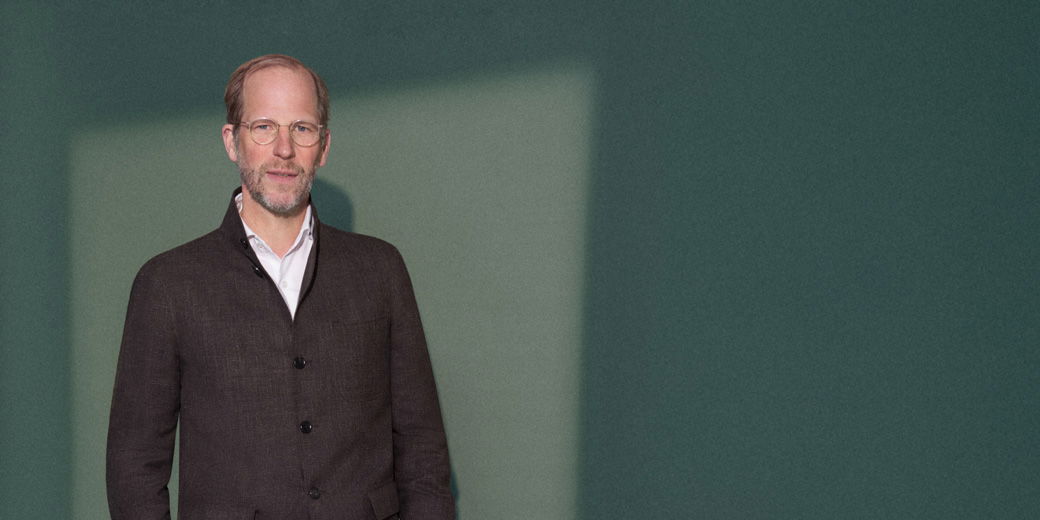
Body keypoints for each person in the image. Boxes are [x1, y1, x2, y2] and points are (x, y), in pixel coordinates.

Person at [106, 54, 455, 520]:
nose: (284, 149)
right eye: (264, 127)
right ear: (232, 142)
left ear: (323, 146)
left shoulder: (380, 270)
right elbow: (134, 469)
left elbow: (423, 452)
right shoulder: (168, 284)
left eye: (302, 128)